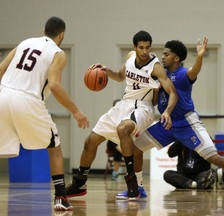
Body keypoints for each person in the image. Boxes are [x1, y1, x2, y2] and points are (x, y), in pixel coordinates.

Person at [116, 38, 224, 202]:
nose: (163, 57)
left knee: (214, 158)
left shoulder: (183, 73)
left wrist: (200, 57)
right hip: (167, 124)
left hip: (187, 123)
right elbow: (152, 99)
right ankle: (138, 188)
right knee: (136, 149)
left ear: (176, 58)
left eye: (166, 54)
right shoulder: (160, 74)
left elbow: (194, 71)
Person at [65, 30, 178, 200]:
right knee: (90, 141)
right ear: (135, 47)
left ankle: (132, 184)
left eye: (148, 47)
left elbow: (173, 92)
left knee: (123, 128)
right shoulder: (130, 57)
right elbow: (119, 76)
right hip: (123, 104)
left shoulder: (155, 67)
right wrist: (106, 70)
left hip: (143, 108)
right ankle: (79, 183)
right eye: (141, 47)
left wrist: (168, 111)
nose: (145, 51)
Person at [0, 17, 89, 211]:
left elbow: (1, 69)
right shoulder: (58, 53)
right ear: (62, 35)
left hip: (3, 95)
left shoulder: (24, 43)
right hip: (28, 100)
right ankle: (60, 197)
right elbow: (55, 84)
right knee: (54, 146)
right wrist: (75, 110)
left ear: (44, 30)